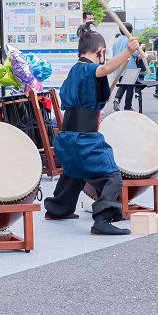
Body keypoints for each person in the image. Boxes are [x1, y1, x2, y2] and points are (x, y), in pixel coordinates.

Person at [44, 30, 141, 235]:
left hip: (67, 138)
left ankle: (58, 209)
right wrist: (127, 51)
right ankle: (103, 219)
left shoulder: (74, 70)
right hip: (83, 139)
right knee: (112, 176)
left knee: (74, 172)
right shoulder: (87, 69)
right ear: (101, 51)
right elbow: (105, 68)